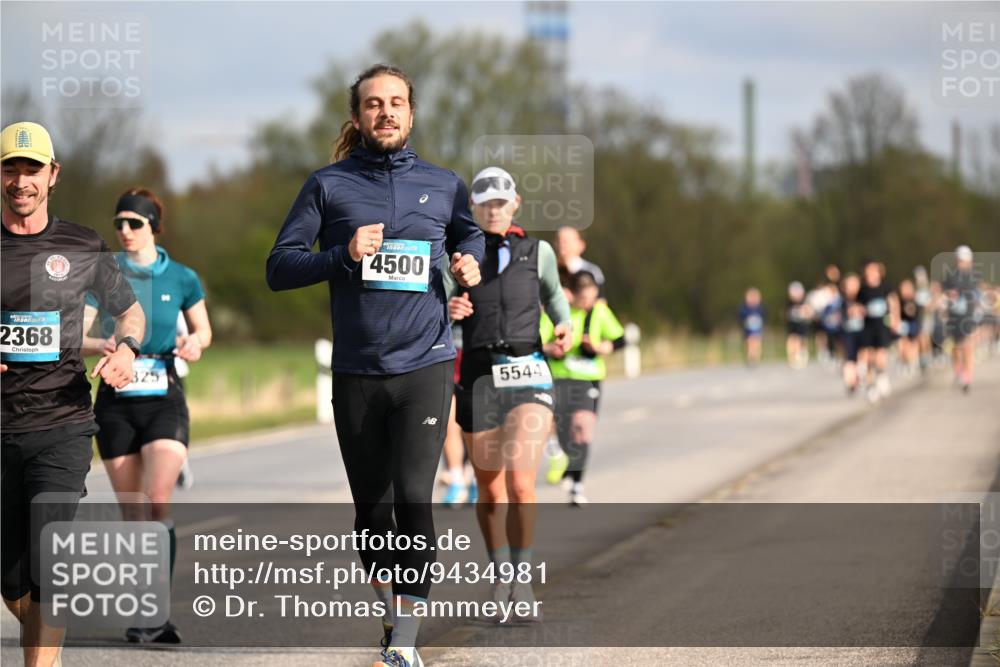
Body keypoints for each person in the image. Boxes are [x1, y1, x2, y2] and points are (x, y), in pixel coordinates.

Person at [266, 64, 484, 667]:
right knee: (374, 511)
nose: (384, 112)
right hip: (358, 372)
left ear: (412, 114)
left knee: (415, 498)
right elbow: (279, 267)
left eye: (395, 103)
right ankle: (392, 614)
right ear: (357, 116)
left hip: (427, 365)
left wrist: (468, 261)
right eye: (372, 104)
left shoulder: (444, 185)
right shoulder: (327, 185)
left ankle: (407, 641)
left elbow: (470, 237)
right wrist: (342, 255)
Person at [1, 121, 145, 667]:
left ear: (52, 175)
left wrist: (127, 350)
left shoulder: (82, 245)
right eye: (11, 168)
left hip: (61, 423)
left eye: (32, 169)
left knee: (49, 561)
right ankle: (49, 646)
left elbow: (129, 310)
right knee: (12, 579)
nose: (21, 180)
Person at [81, 187, 212, 643]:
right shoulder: (106, 273)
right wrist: (105, 345)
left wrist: (195, 343)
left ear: (154, 226)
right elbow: (77, 335)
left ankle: (156, 610)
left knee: (157, 500)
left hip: (163, 397)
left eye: (134, 223)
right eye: (118, 223)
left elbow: (203, 330)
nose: (124, 231)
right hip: (115, 401)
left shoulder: (182, 277)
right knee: (134, 512)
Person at [446, 166, 571, 614]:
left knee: (521, 483)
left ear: (514, 203)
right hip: (478, 376)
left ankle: (522, 581)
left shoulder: (537, 251)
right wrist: (450, 306)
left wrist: (565, 326)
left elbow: (555, 296)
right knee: (490, 492)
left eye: (501, 201)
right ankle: (500, 575)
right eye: (485, 202)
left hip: (528, 370)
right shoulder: (459, 256)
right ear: (473, 208)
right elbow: (434, 305)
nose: (493, 209)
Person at [542, 270, 624, 506]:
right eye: (583, 299)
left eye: (592, 297)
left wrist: (601, 347)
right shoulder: (558, 311)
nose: (588, 303)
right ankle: (566, 461)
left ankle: (577, 487)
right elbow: (538, 340)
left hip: (589, 380)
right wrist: (553, 349)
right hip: (559, 378)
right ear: (572, 295)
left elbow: (619, 338)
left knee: (583, 429)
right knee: (565, 432)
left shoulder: (599, 311)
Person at [857, 260, 899, 403]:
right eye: (868, 271)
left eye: (873, 271)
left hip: (882, 326)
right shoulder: (862, 290)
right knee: (869, 358)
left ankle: (881, 376)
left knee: (880, 356)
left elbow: (894, 302)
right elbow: (857, 306)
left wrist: (895, 319)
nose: (870, 274)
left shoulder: (885, 287)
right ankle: (870, 386)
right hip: (868, 326)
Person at [943, 245, 979, 393]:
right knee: (957, 349)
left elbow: (977, 296)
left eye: (966, 260)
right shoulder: (950, 277)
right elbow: (944, 295)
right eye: (961, 260)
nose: (963, 263)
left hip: (968, 318)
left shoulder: (973, 278)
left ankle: (967, 378)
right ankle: (958, 370)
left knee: (968, 348)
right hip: (954, 318)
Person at [785, 281, 812, 369]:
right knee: (792, 340)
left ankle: (802, 353)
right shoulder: (789, 304)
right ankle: (792, 359)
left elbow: (809, 314)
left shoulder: (805, 302)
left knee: (802, 340)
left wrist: (805, 312)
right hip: (792, 325)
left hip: (802, 324)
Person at [738, 287, 765, 366]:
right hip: (748, 329)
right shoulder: (744, 308)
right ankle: (750, 357)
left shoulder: (760, 308)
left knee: (757, 342)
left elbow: (763, 316)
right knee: (749, 342)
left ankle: (756, 358)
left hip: (758, 328)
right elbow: (740, 316)